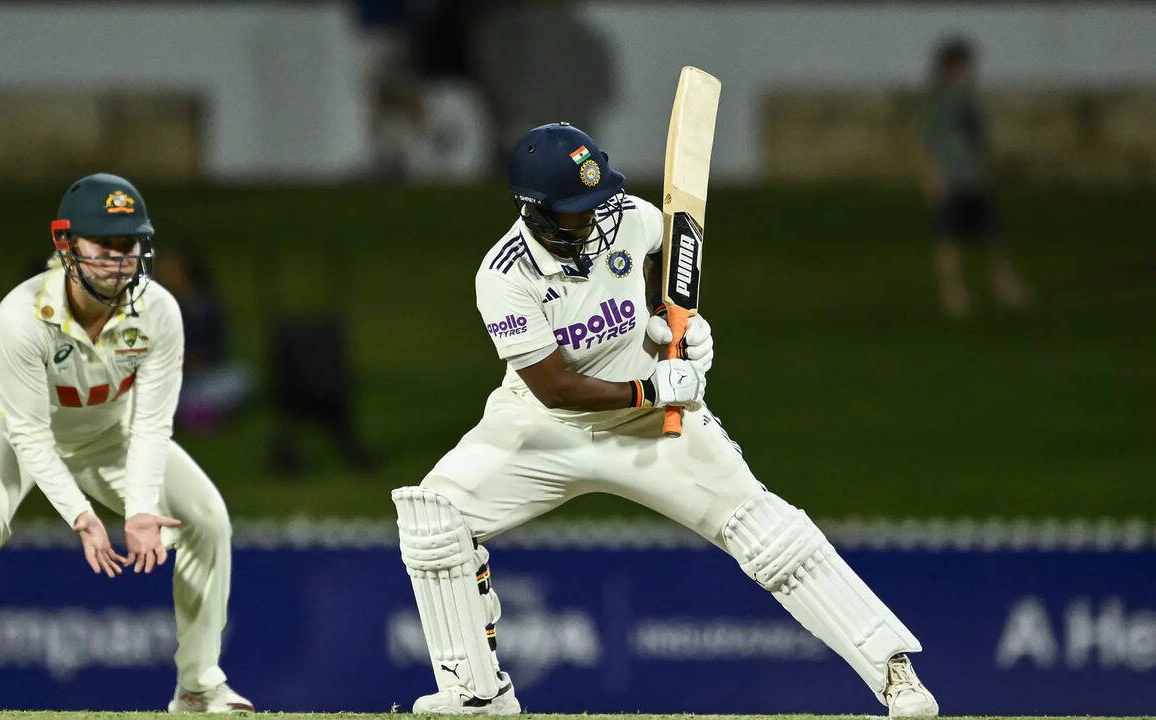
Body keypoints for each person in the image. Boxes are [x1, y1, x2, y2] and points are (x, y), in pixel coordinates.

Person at [390, 123, 939, 717]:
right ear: (535, 211)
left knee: (766, 533)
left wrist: (669, 323)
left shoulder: (631, 216)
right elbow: (554, 387)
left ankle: (894, 673)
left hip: (653, 424)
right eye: (576, 212)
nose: (596, 220)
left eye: (598, 203)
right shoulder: (504, 277)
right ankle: (476, 695)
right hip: (545, 428)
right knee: (434, 521)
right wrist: (650, 388)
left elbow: (659, 265)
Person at [0, 173, 253, 713]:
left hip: (106, 431)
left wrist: (139, 510)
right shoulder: (20, 317)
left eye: (129, 246)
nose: (119, 262)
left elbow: (151, 426)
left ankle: (197, 685)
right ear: (64, 244)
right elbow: (29, 434)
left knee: (208, 517)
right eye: (104, 246)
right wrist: (80, 515)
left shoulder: (160, 311)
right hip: (4, 424)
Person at [922, 36, 1033, 319]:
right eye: (960, 65)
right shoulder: (941, 103)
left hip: (975, 179)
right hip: (952, 179)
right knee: (949, 241)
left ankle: (1005, 286)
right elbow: (931, 145)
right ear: (948, 68)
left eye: (967, 65)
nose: (966, 70)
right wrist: (934, 180)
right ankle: (954, 295)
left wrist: (990, 167)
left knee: (992, 236)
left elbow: (981, 140)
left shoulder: (970, 101)